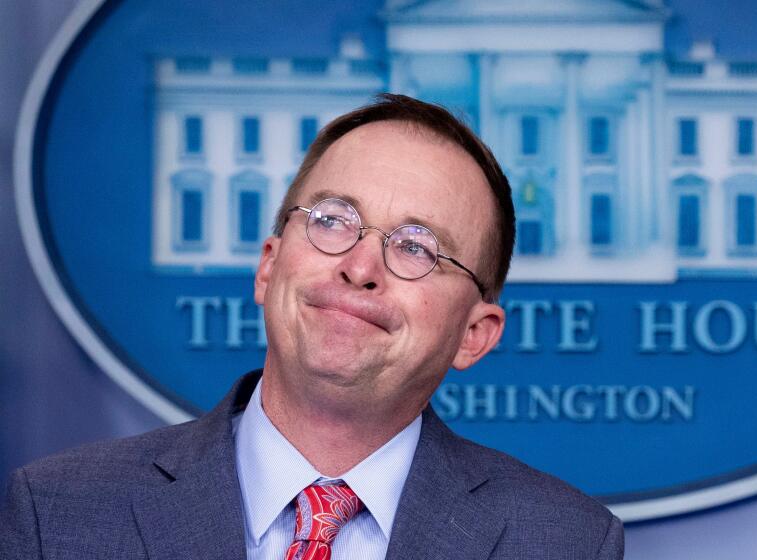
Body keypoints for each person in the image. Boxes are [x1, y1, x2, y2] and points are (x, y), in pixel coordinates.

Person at [1, 94, 623, 559]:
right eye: (332, 219)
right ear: (269, 268)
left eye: (416, 247)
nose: (359, 267)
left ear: (474, 334)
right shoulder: (56, 514)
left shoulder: (564, 543)